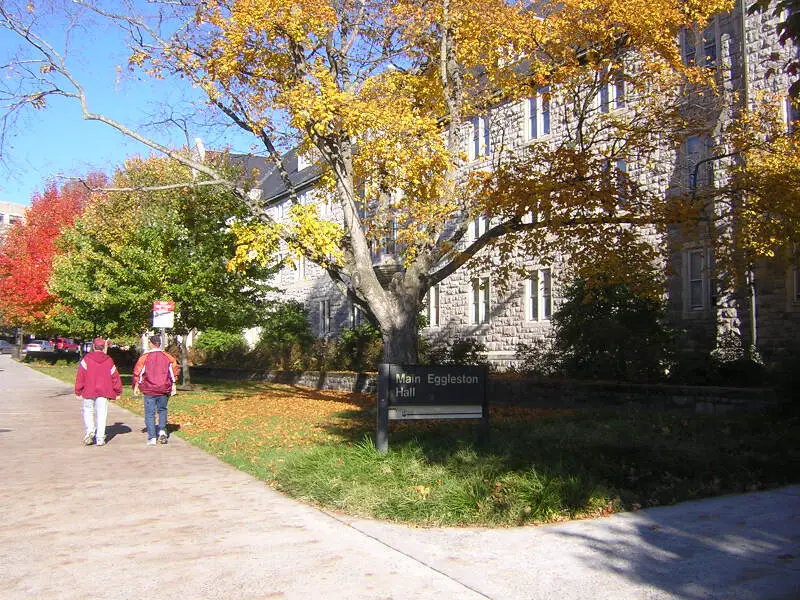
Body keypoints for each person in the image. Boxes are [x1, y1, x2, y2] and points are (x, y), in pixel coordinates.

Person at [75, 337, 122, 446]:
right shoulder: (108, 360)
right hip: (104, 391)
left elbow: (80, 376)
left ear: (93, 346)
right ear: (103, 347)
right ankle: (100, 438)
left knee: (88, 411)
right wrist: (118, 391)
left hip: (89, 390)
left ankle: (90, 432)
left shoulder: (86, 359)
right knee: (102, 414)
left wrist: (78, 390)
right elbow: (114, 376)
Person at [132, 335, 179, 446]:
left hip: (149, 389)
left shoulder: (145, 357)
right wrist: (173, 384)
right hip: (163, 388)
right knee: (162, 409)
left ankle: (152, 437)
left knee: (149, 413)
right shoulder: (168, 357)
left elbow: (138, 372)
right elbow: (173, 372)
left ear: (151, 343)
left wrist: (136, 385)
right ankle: (162, 430)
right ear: (160, 343)